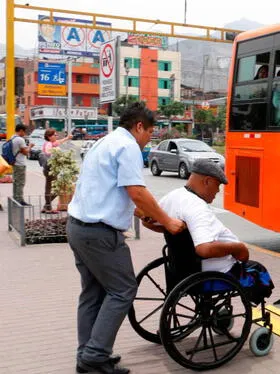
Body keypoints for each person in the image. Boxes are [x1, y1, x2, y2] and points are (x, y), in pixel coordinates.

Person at [67, 102, 185, 374]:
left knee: (93, 293)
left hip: (79, 227)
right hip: (99, 234)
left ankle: (87, 353)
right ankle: (95, 356)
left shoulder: (104, 142)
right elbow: (136, 191)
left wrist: (142, 213)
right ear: (139, 126)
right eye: (150, 133)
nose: (149, 140)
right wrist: (167, 220)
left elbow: (112, 191)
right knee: (123, 290)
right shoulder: (129, 146)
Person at [140, 159, 274, 302]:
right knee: (258, 271)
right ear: (207, 181)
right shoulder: (197, 208)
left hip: (181, 270)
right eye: (217, 185)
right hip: (214, 272)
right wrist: (238, 247)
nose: (218, 191)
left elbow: (148, 223)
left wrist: (173, 230)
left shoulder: (174, 196)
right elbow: (204, 249)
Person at [40, 129, 73, 213]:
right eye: (54, 135)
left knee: (50, 188)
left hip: (50, 169)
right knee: (56, 189)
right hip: (51, 169)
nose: (56, 136)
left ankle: (47, 207)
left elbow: (59, 142)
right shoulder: (48, 144)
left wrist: (67, 138)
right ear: (49, 136)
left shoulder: (51, 143)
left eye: (56, 135)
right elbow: (50, 155)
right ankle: (47, 207)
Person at [11, 124, 34, 206]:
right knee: (20, 183)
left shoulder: (12, 137)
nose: (24, 133)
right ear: (20, 130)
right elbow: (25, 152)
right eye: (24, 131)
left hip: (14, 163)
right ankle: (20, 200)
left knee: (16, 182)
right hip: (20, 164)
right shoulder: (20, 140)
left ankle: (15, 198)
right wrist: (30, 146)